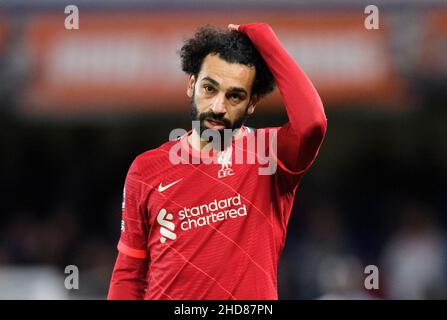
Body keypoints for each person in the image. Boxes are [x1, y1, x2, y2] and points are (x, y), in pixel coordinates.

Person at [107, 22, 327, 300]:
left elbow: (313, 123)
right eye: (210, 89)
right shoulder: (145, 169)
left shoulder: (270, 154)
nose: (218, 107)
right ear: (191, 85)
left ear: (252, 103)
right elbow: (129, 273)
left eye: (234, 96)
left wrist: (264, 38)